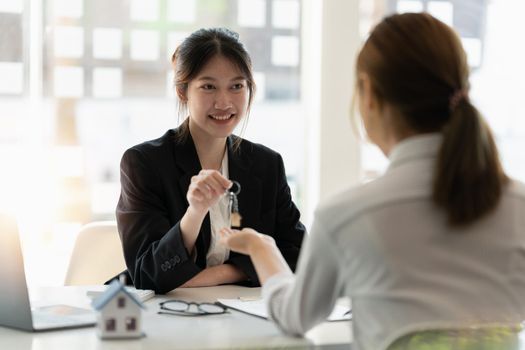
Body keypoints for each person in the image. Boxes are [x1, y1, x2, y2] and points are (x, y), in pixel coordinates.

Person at [220, 13, 525, 350]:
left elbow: (295, 316)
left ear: (368, 93)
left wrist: (263, 250)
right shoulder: (518, 204)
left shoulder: (346, 214)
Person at [116, 28, 305, 294]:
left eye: (236, 86)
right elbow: (147, 274)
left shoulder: (266, 164)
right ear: (183, 91)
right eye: (208, 87)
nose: (224, 102)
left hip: (241, 316)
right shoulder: (144, 163)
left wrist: (220, 274)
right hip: (164, 319)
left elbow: (298, 253)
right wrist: (194, 213)